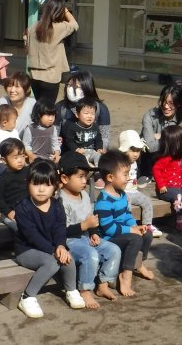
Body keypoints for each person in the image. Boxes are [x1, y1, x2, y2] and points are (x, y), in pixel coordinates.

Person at [12, 159, 86, 318]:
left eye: (46, 184)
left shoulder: (57, 205)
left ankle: (71, 290)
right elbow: (31, 235)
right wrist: (53, 250)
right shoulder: (23, 207)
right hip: (26, 250)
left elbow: (60, 228)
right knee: (52, 262)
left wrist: (60, 246)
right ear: (28, 184)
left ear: (55, 186)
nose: (41, 189)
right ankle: (27, 297)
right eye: (36, 184)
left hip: (51, 247)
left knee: (68, 258)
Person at [57, 151, 120, 309]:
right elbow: (61, 231)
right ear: (64, 178)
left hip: (85, 237)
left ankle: (103, 283)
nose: (84, 181)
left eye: (86, 176)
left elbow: (91, 218)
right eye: (80, 176)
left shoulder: (84, 195)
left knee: (114, 250)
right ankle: (85, 289)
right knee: (90, 254)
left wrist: (93, 233)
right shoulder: (60, 200)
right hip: (69, 242)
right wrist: (85, 226)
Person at [94, 150, 155, 297]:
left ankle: (139, 263)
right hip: (110, 239)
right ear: (110, 177)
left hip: (122, 232)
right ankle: (125, 276)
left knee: (146, 233)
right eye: (125, 174)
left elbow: (126, 214)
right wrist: (131, 230)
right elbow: (109, 229)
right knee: (135, 238)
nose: (128, 178)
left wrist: (135, 226)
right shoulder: (103, 202)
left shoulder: (121, 194)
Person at [25, 0, 78, 106]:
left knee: (39, 106)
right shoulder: (59, 28)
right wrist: (66, 10)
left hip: (34, 76)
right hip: (50, 76)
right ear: (59, 11)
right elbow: (74, 24)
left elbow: (27, 48)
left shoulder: (33, 28)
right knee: (47, 110)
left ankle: (35, 122)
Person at [152, 124, 182, 232]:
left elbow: (181, 172)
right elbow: (156, 170)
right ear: (176, 144)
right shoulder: (165, 159)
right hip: (166, 190)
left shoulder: (179, 158)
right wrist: (161, 185)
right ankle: (180, 220)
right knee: (179, 197)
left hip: (178, 187)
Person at [139, 83, 182, 177]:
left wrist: (162, 136)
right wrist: (177, 139)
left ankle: (174, 173)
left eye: (171, 103)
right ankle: (148, 174)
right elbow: (150, 147)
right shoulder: (149, 116)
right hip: (151, 164)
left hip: (174, 167)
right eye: (164, 102)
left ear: (179, 104)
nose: (166, 106)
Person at [116, 129, 162, 237]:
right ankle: (127, 226)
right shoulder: (118, 163)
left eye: (138, 151)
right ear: (124, 150)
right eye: (132, 150)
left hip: (133, 191)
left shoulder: (135, 163)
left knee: (146, 200)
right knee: (126, 204)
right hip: (122, 193)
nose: (136, 154)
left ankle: (148, 225)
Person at [55, 70, 112, 151]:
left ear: (87, 87)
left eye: (76, 86)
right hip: (68, 152)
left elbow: (105, 137)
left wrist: (100, 151)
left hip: (94, 152)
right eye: (69, 85)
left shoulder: (101, 109)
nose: (71, 89)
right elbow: (54, 135)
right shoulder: (60, 107)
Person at [0, 139, 30, 228]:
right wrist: (8, 212)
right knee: (21, 228)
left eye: (22, 156)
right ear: (4, 160)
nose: (20, 160)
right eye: (15, 157)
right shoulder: (3, 178)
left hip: (29, 210)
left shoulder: (28, 172)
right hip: (10, 213)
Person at [59, 98, 104, 166]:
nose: (90, 116)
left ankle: (97, 170)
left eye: (92, 114)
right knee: (77, 161)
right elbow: (69, 141)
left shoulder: (95, 126)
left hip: (91, 151)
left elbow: (98, 139)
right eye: (86, 113)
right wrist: (77, 149)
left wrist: (99, 148)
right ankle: (88, 167)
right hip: (78, 152)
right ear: (77, 114)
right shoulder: (73, 127)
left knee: (98, 156)